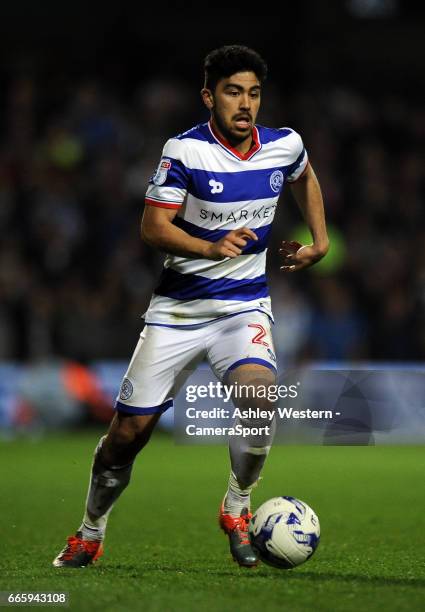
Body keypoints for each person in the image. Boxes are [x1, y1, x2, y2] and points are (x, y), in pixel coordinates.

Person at [53, 45, 329, 568]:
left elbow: (305, 177)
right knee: (127, 436)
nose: (245, 104)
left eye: (253, 93)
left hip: (243, 307)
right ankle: (91, 530)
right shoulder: (184, 152)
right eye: (232, 92)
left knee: (259, 396)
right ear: (209, 96)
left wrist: (321, 241)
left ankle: (237, 506)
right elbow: (152, 227)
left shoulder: (284, 144)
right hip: (178, 310)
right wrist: (210, 246)